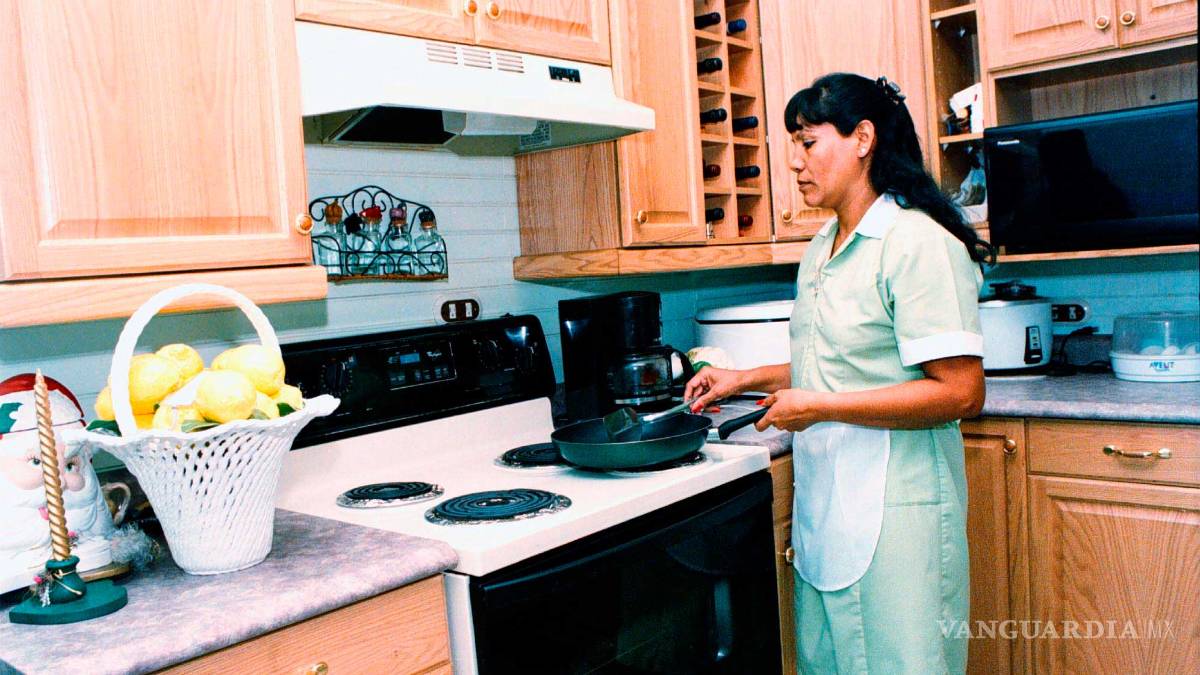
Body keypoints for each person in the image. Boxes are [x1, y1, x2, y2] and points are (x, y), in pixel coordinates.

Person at [685, 73, 994, 674]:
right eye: (793, 145)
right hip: (825, 510)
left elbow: (961, 392)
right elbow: (835, 362)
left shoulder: (915, 242)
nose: (794, 162)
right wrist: (743, 378)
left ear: (863, 139)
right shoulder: (823, 246)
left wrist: (820, 407)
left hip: (897, 516)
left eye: (808, 142)